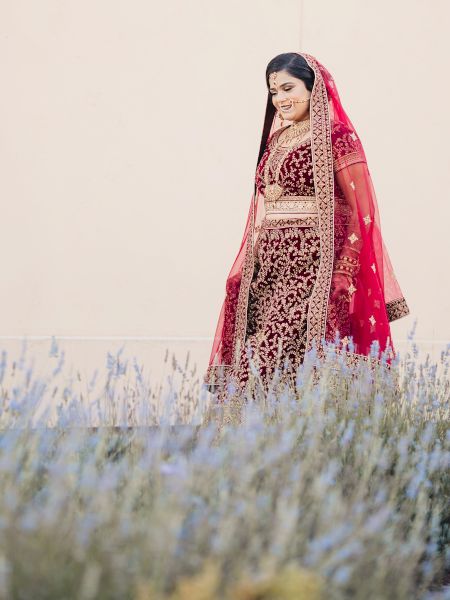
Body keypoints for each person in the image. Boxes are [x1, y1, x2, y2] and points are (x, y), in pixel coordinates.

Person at [204, 52, 409, 399]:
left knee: (282, 355)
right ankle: (256, 444)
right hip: (268, 269)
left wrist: (344, 267)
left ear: (313, 88)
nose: (280, 99)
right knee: (254, 358)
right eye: (273, 92)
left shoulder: (337, 136)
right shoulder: (277, 139)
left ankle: (294, 438)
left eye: (288, 88)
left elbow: (363, 210)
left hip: (312, 269)